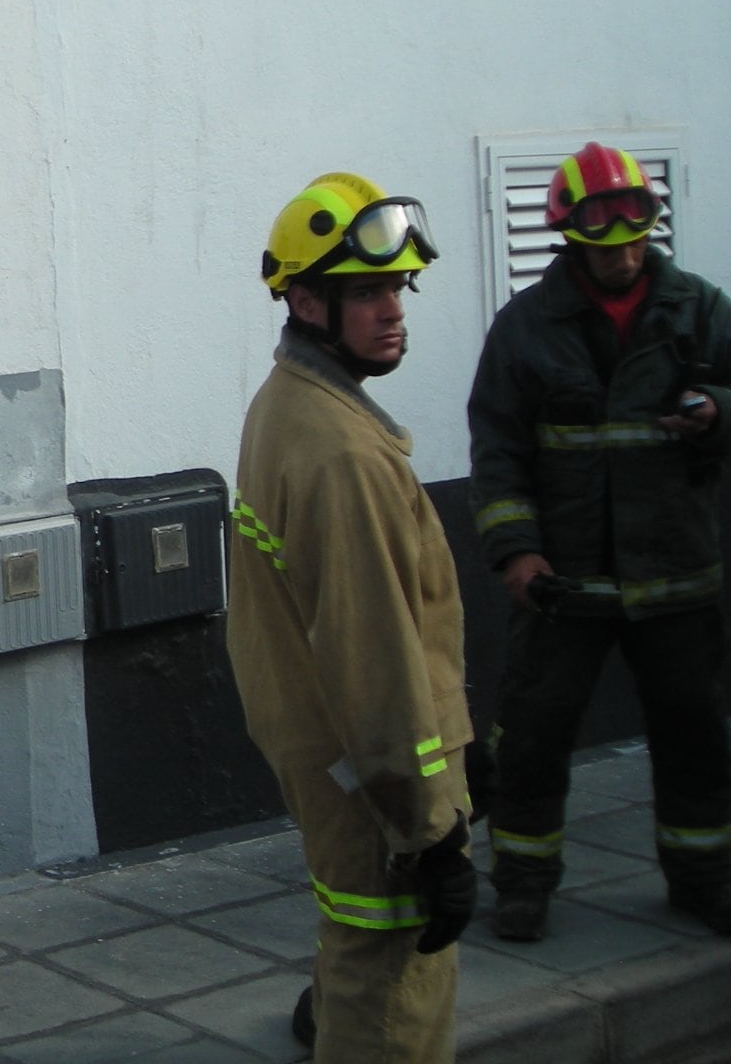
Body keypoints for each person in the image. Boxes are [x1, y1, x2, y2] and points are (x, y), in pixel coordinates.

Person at [228, 172, 477, 1062]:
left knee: (353, 958)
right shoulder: (342, 455)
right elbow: (376, 666)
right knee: (394, 992)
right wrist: (431, 831)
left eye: (399, 287)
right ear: (304, 300)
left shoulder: (287, 405)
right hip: (380, 789)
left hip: (329, 762)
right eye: (366, 291)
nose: (393, 309)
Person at [469, 141, 731, 942]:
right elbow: (498, 448)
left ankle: (704, 879)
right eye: (599, 228)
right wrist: (516, 554)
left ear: (651, 222)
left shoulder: (700, 308)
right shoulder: (525, 329)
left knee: (697, 737)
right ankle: (522, 884)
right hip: (565, 583)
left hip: (676, 575)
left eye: (633, 226)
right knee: (533, 739)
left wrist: (717, 410)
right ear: (568, 231)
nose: (619, 247)